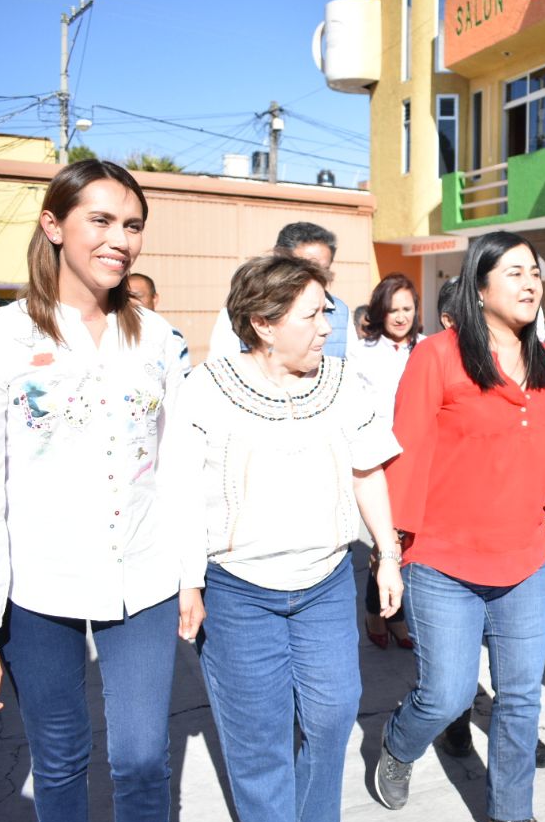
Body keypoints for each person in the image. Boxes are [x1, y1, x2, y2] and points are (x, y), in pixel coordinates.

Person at [0, 160, 191, 822]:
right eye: (101, 220)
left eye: (133, 225)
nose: (121, 239)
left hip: (141, 579)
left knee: (142, 756)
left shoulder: (160, 339)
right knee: (59, 758)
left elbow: (177, 468)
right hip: (36, 588)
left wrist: (189, 574)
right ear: (53, 224)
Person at [159, 252, 402, 822]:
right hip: (238, 592)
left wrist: (387, 555)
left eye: (328, 313)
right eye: (313, 314)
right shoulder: (204, 389)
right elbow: (181, 495)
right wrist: (189, 581)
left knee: (332, 717)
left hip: (324, 584)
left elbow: (368, 471)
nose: (327, 326)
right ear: (264, 323)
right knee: (259, 740)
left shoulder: (344, 383)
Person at [374, 231, 545, 822]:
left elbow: (542, 452)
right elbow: (405, 452)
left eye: (533, 272)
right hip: (444, 558)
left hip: (525, 557)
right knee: (447, 695)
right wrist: (391, 550)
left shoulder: (542, 363)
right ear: (478, 287)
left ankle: (510, 813)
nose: (530, 283)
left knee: (520, 696)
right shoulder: (437, 355)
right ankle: (399, 744)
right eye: (513, 273)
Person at [349, 272, 423, 650]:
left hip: (423, 457)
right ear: (380, 311)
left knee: (414, 545)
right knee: (385, 543)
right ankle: (378, 612)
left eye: (407, 308)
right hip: (382, 460)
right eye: (393, 309)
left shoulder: (427, 347)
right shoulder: (361, 352)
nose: (400, 316)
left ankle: (396, 615)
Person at [207, 222, 356, 359]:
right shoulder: (238, 313)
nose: (315, 278)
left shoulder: (341, 311)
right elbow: (220, 374)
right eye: (305, 268)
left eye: (324, 271)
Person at [127, 271, 191, 374]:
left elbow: (183, 381)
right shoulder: (112, 331)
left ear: (155, 299)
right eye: (124, 298)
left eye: (135, 296)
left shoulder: (173, 336)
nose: (130, 302)